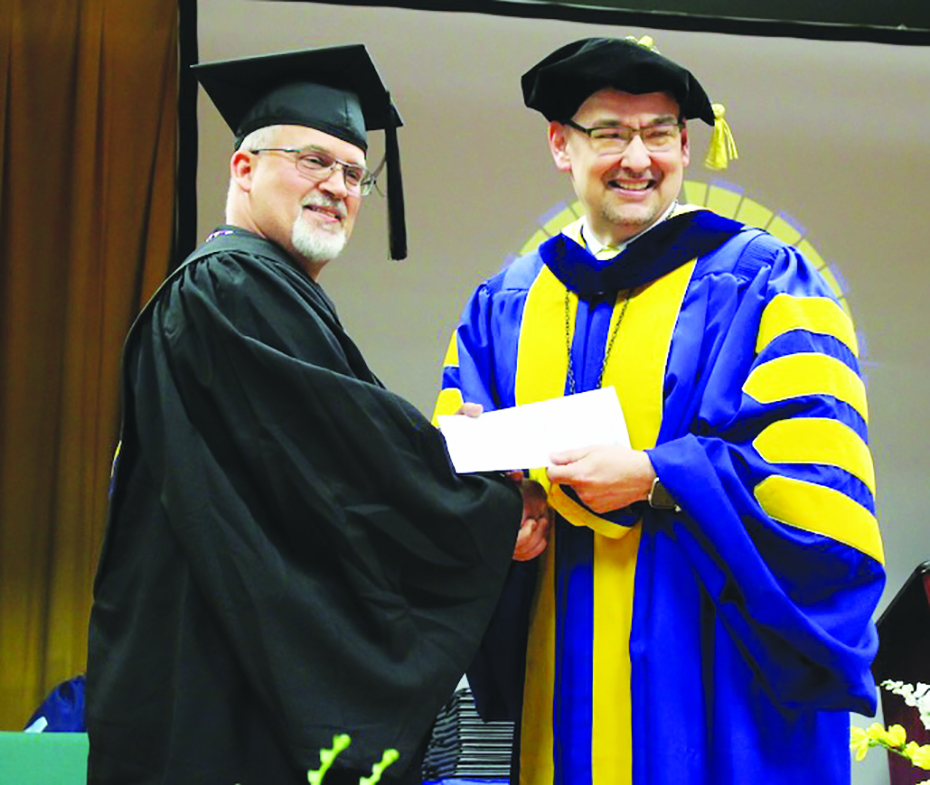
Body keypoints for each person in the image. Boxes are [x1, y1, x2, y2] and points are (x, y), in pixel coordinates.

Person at [433, 36, 885, 785]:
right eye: (610, 133)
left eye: (661, 134)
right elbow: (456, 468)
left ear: (685, 145)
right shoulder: (503, 306)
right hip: (563, 672)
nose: (638, 158)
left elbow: (819, 484)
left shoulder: (764, 279)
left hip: (717, 682)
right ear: (560, 145)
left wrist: (658, 476)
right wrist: (499, 515)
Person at [86, 45, 529, 785]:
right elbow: (346, 462)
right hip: (214, 694)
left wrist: (448, 457)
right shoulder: (228, 288)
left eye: (355, 173)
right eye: (312, 160)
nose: (337, 186)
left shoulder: (258, 293)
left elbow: (321, 458)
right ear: (243, 168)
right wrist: (483, 496)